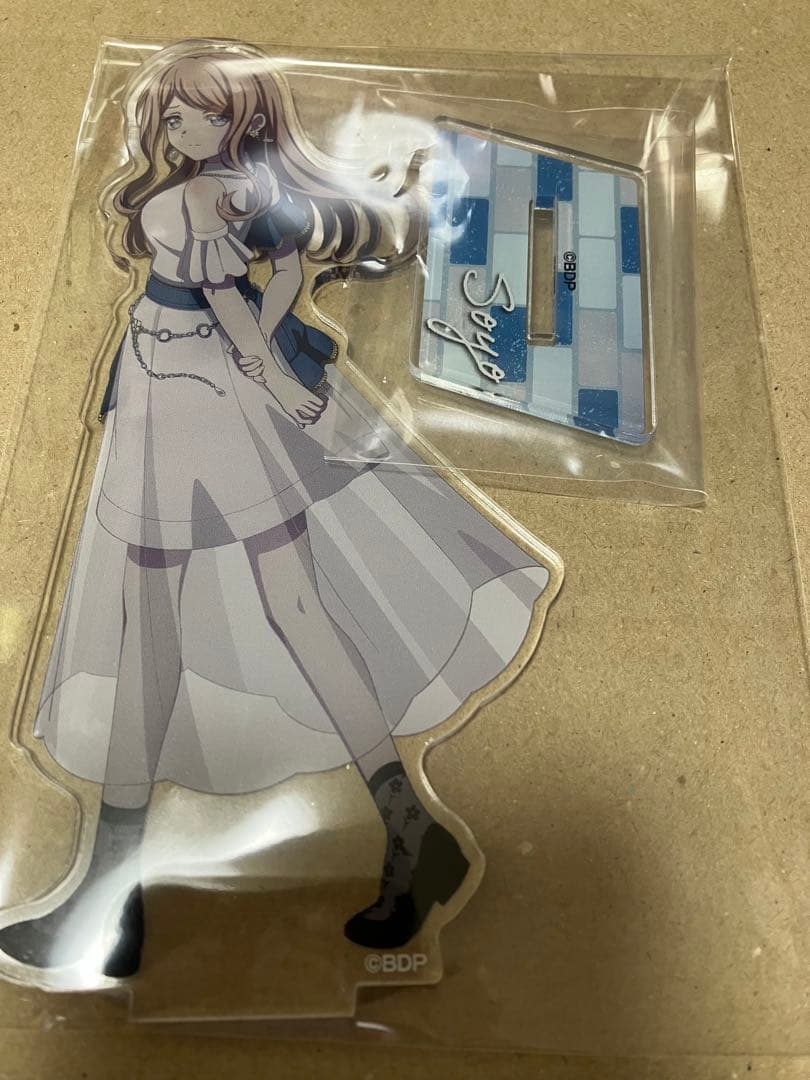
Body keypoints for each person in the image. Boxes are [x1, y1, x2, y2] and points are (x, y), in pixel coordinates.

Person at [0, 41, 553, 980]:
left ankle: (116, 893)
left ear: (244, 119)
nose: (180, 126)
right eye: (172, 114)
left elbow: (231, 300)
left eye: (200, 112)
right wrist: (263, 368)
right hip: (181, 391)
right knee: (268, 610)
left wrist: (271, 379)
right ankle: (409, 831)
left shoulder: (193, 202)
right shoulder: (243, 194)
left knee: (181, 627)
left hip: (187, 395)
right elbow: (283, 276)